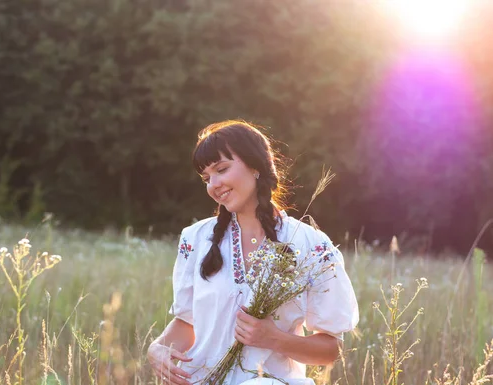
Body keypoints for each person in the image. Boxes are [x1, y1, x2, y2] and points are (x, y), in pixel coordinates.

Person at [147, 120, 359, 385]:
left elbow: (330, 349)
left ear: (256, 165)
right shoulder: (195, 239)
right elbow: (187, 322)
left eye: (221, 169)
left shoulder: (310, 244)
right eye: (206, 178)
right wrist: (157, 348)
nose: (213, 185)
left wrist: (274, 339)